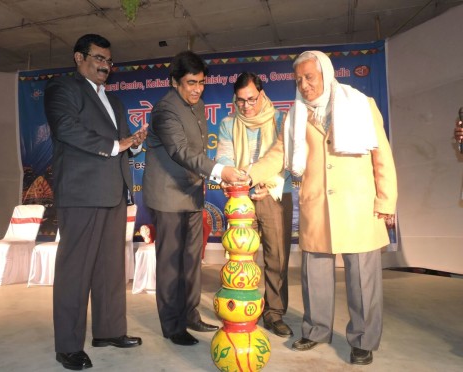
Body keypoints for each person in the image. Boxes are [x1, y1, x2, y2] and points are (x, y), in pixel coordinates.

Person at [247, 51, 397, 365]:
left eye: (309, 77)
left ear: (326, 74)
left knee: (362, 280)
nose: (303, 85)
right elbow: (279, 155)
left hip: (359, 207)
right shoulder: (295, 116)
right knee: (315, 277)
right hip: (317, 207)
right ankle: (316, 331)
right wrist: (248, 174)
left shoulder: (361, 105)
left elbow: (382, 156)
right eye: (298, 80)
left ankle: (363, 340)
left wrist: (386, 200)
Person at [44, 34, 146, 370]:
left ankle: (109, 331)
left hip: (113, 192)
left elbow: (121, 142)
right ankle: (69, 345)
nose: (105, 65)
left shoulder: (113, 101)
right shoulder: (63, 89)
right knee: (76, 270)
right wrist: (118, 145)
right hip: (82, 192)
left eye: (109, 60)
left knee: (110, 269)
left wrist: (133, 144)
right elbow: (66, 129)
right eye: (98, 57)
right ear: (78, 57)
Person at [142, 50, 246, 346]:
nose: (197, 89)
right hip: (167, 197)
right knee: (171, 264)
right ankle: (172, 325)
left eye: (201, 82)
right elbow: (180, 152)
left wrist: (212, 174)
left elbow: (197, 152)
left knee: (191, 260)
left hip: (192, 193)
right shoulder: (165, 110)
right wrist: (220, 171)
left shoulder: (198, 106)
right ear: (175, 81)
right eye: (191, 82)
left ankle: (190, 315)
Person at [215, 72, 293, 337]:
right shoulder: (228, 124)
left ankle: (274, 312)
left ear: (262, 94)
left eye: (251, 99)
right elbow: (225, 159)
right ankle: (245, 307)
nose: (246, 106)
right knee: (241, 257)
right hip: (241, 197)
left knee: (276, 257)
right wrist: (238, 182)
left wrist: (265, 183)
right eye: (240, 101)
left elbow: (286, 159)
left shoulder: (281, 119)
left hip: (275, 194)